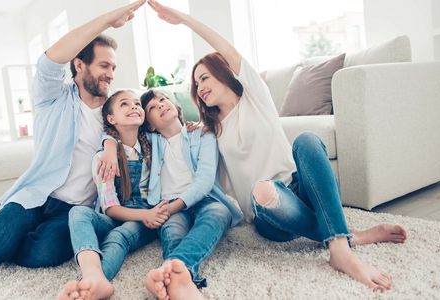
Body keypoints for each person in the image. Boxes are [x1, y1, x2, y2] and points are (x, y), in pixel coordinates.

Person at [147, 0, 408, 294]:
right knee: (264, 189)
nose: (200, 86)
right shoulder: (210, 130)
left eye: (205, 77)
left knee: (307, 140)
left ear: (224, 73)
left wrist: (183, 19)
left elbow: (230, 51)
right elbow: (188, 157)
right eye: (196, 83)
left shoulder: (255, 97)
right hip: (268, 215)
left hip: (300, 190)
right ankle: (351, 236)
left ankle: (339, 249)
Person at [0, 0, 147, 285]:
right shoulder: (52, 96)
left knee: (43, 254)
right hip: (37, 195)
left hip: (76, 208)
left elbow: (142, 123)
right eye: (104, 65)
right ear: (79, 65)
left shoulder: (115, 108)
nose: (111, 74)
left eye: (114, 67)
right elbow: (49, 61)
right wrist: (107, 20)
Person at [102, 89, 244, 300]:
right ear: (148, 123)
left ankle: (173, 268)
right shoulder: (149, 141)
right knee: (172, 232)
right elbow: (117, 132)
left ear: (175, 107)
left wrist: (173, 207)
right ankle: (180, 281)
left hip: (204, 200)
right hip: (166, 204)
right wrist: (109, 145)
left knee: (218, 213)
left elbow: (205, 181)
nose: (160, 104)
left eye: (163, 99)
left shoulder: (203, 133)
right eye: (151, 107)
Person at [57, 90, 169, 300]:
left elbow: (173, 131)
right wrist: (109, 146)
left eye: (137, 103)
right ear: (111, 118)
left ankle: (90, 286)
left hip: (145, 218)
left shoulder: (153, 144)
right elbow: (110, 208)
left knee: (119, 236)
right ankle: (92, 275)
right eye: (124, 104)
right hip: (118, 215)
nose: (134, 107)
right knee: (78, 213)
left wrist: (190, 126)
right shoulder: (104, 158)